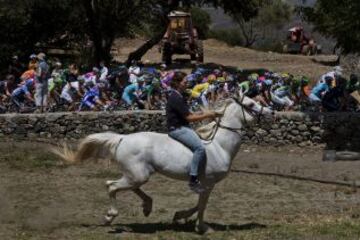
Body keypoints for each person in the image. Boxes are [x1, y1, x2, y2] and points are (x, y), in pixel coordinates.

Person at [166, 71, 219, 194]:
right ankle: (193, 179)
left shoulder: (179, 95)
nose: (187, 83)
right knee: (200, 148)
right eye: (184, 82)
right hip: (177, 129)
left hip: (181, 127)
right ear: (178, 83)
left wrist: (204, 113)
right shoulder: (176, 97)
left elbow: (189, 114)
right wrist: (206, 114)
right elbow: (189, 118)